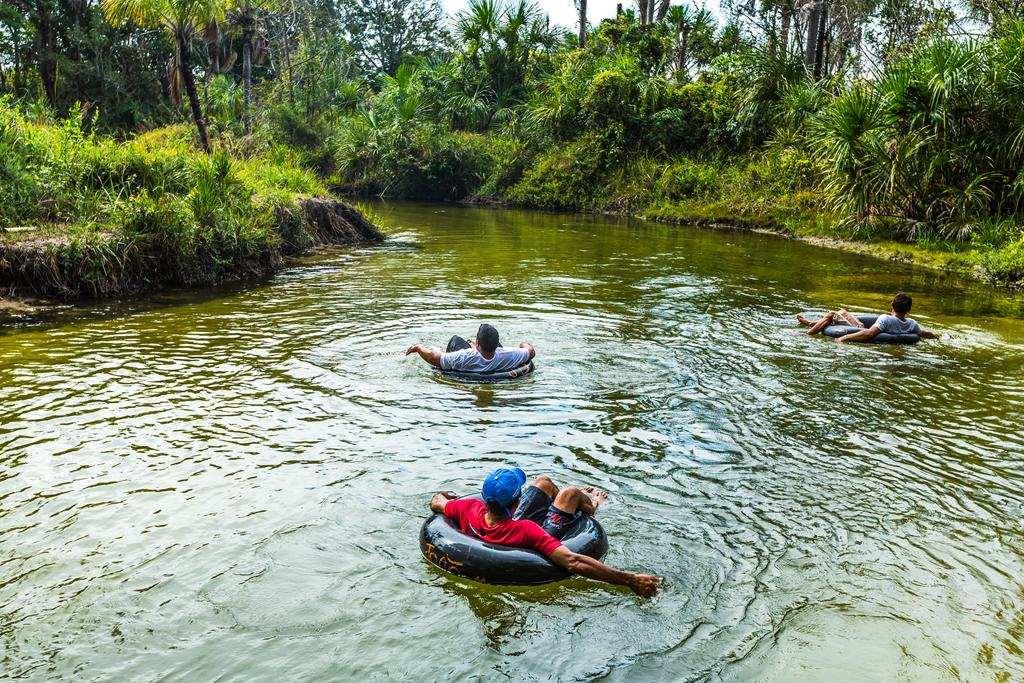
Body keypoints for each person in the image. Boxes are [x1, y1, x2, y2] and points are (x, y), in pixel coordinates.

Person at [429, 467, 662, 597]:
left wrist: (447, 497)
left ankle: (560, 498)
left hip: (496, 525)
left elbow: (436, 501)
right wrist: (629, 580)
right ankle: (592, 505)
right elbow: (573, 562)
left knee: (543, 483)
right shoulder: (526, 531)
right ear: (517, 501)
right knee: (570, 493)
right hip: (521, 540)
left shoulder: (467, 508)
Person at [796, 292, 938, 343]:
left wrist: (844, 338)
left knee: (834, 313)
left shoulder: (886, 318)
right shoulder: (912, 324)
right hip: (890, 334)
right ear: (909, 310)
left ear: (892, 305)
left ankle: (808, 333)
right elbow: (924, 334)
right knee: (837, 316)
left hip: (858, 330)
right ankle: (811, 323)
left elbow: (869, 333)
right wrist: (939, 337)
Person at [406, 323, 535, 372]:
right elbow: (531, 351)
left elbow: (432, 358)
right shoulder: (508, 354)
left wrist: (418, 347)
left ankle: (472, 343)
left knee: (456, 340)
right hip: (496, 359)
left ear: (478, 344)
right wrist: (522, 345)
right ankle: (473, 343)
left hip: (469, 362)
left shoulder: (464, 356)